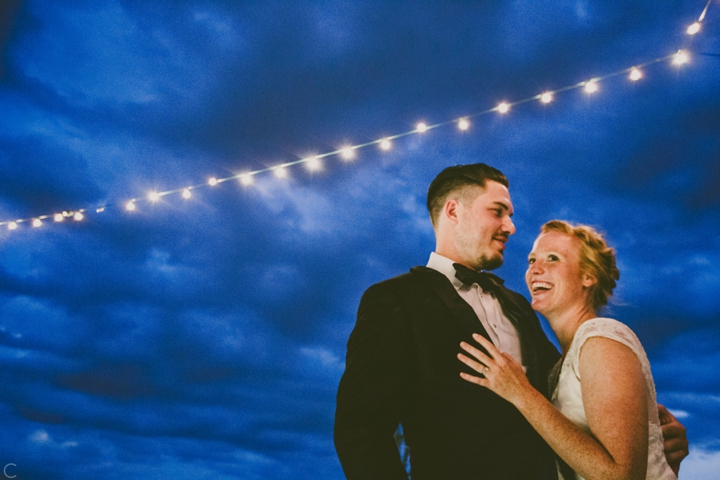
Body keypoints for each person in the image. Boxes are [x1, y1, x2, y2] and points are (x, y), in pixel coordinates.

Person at [334, 163, 688, 479]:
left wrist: (652, 431)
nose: (511, 227)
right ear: (454, 210)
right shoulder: (395, 300)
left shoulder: (519, 305)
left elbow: (568, 387)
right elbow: (360, 430)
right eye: (498, 212)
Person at [458, 220, 680, 479]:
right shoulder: (562, 363)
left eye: (553, 258)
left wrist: (521, 394)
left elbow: (622, 476)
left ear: (588, 276)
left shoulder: (601, 339)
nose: (535, 270)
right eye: (531, 260)